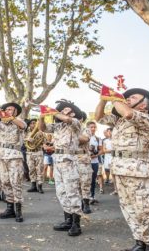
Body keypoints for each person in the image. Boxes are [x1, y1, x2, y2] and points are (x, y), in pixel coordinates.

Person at [96, 87, 149, 251]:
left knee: (144, 209)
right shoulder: (119, 120)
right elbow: (98, 117)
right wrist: (104, 98)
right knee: (129, 208)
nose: (127, 99)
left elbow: (128, 113)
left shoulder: (144, 117)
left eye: (133, 97)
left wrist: (115, 98)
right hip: (120, 167)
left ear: (143, 105)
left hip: (138, 168)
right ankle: (140, 243)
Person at [40, 99, 87, 237]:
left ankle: (76, 224)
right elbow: (42, 128)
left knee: (72, 192)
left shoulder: (76, 123)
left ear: (73, 113)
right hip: (57, 160)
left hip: (69, 161)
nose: (63, 111)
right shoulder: (57, 126)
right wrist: (42, 115)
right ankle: (67, 220)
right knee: (61, 192)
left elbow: (66, 118)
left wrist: (55, 111)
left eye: (67, 110)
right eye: (63, 109)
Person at [0, 102, 26, 223]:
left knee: (15, 182)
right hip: (2, 156)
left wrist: (11, 117)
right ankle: (10, 208)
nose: (8, 111)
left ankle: (18, 210)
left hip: (14, 156)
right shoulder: (0, 124)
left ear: (15, 112)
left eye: (11, 109)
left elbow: (23, 126)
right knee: (5, 182)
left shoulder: (19, 121)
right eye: (6, 109)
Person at [78, 121, 96, 213]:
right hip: (70, 161)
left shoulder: (85, 130)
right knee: (75, 185)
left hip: (83, 160)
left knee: (85, 183)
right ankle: (79, 203)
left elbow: (84, 139)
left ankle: (86, 204)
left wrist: (71, 135)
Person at [25, 119, 45, 194]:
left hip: (38, 152)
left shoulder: (40, 132)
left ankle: (40, 186)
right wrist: (27, 139)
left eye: (35, 123)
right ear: (29, 125)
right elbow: (22, 141)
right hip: (29, 153)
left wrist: (37, 141)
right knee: (31, 169)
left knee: (39, 169)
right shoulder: (26, 132)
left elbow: (44, 141)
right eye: (32, 123)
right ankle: (33, 186)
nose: (34, 124)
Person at [101, 127, 115, 194]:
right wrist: (111, 151)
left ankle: (116, 189)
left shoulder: (115, 139)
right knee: (107, 170)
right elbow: (104, 150)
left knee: (114, 173)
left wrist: (110, 151)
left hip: (114, 157)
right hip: (107, 157)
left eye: (110, 131)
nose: (109, 133)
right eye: (108, 132)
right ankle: (107, 179)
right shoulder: (105, 141)